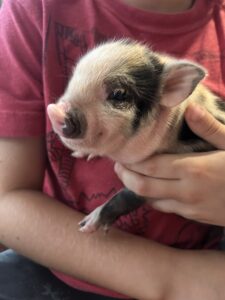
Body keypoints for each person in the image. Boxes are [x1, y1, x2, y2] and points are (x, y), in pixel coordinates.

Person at [0, 0, 225, 299]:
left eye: (117, 95)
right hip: (69, 269)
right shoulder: (32, 10)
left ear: (173, 89)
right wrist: (173, 277)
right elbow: (6, 199)